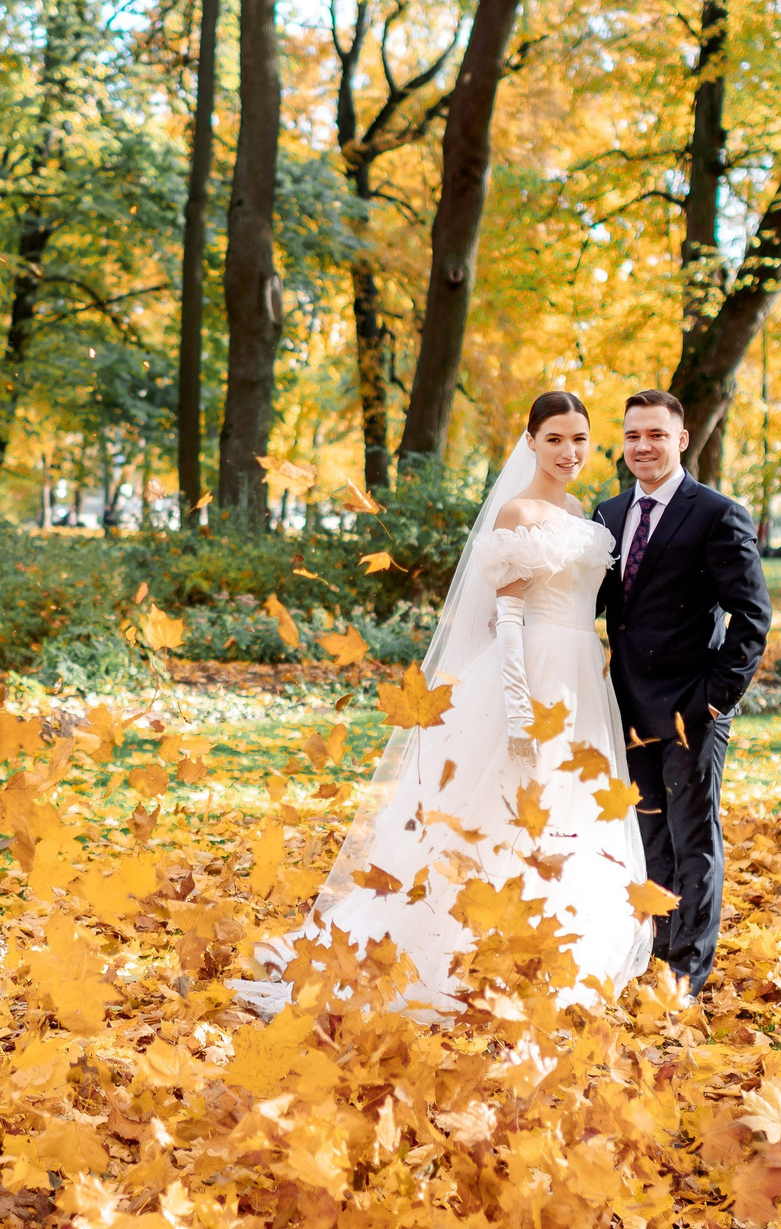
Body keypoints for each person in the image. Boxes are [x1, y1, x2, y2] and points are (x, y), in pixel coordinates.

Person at [237, 392, 656, 1015]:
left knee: (566, 811)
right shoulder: (517, 513)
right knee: (503, 812)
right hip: (529, 674)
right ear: (531, 443)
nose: (569, 452)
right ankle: (457, 958)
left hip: (580, 681)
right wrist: (519, 711)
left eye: (579, 439)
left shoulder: (579, 512)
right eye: (554, 439)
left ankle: (543, 954)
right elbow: (506, 619)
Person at [592, 390, 770, 997]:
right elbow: (599, 604)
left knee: (694, 837)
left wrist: (714, 700)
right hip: (627, 705)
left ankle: (687, 971)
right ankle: (658, 948)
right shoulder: (609, 514)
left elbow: (752, 616)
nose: (643, 446)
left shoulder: (717, 514)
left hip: (693, 707)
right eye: (633, 435)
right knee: (649, 834)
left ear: (682, 440)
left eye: (657, 435)